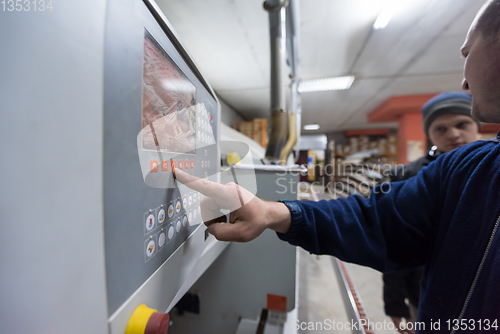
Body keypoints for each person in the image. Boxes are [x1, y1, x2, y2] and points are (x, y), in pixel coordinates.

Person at [174, 1, 500, 332]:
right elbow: (377, 220)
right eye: (442, 127)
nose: (463, 80)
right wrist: (273, 213)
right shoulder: (469, 169)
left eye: (466, 53)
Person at [383, 91, 480, 334]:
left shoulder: (492, 173)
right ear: (429, 134)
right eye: (441, 128)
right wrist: (395, 301)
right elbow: (397, 241)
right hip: (427, 296)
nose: (454, 134)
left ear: (476, 125)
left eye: (462, 124)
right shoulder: (408, 177)